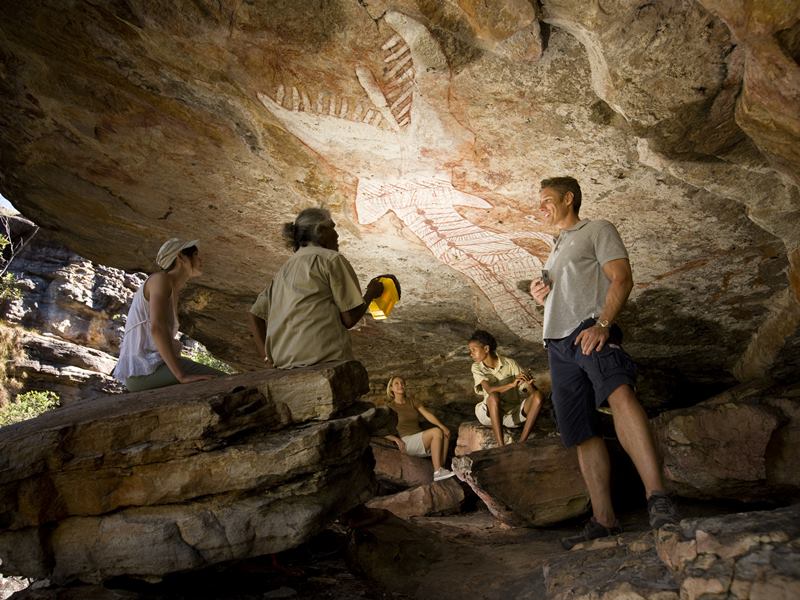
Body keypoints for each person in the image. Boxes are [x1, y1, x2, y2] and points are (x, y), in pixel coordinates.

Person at [529, 176, 679, 549]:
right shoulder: (555, 248)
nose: (540, 207)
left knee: (619, 392)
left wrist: (603, 324)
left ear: (568, 198)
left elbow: (622, 279)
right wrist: (541, 295)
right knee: (581, 431)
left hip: (588, 329)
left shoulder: (597, 229)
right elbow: (565, 291)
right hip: (557, 345)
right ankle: (604, 520)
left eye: (546, 199)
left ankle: (658, 498)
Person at [248, 207, 395, 368]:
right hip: (324, 360)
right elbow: (349, 319)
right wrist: (371, 292)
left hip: (283, 365)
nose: (337, 235)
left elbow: (255, 315)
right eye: (332, 228)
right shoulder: (331, 260)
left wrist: (267, 359)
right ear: (320, 231)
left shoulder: (283, 271)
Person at [113, 238, 223, 392]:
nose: (201, 259)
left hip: (147, 370)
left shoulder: (170, 287)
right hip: (143, 372)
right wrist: (182, 376)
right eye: (195, 255)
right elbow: (157, 328)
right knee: (228, 381)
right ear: (181, 257)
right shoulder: (160, 280)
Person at [468, 329, 543, 447]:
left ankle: (522, 442)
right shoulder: (476, 367)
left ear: (486, 349)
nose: (471, 354)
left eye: (474, 350)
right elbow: (489, 390)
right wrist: (511, 384)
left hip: (511, 414)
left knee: (538, 396)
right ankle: (501, 446)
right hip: (488, 414)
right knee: (493, 396)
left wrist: (530, 385)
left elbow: (532, 394)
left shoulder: (510, 363)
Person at [384, 376, 455, 482]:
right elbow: (379, 429)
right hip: (407, 442)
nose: (400, 385)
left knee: (445, 433)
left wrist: (442, 426)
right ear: (391, 388)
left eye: (402, 383)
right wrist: (396, 439)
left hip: (420, 439)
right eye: (396, 383)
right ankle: (437, 471)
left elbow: (428, 415)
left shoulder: (412, 401)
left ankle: (441, 468)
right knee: (436, 432)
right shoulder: (390, 407)